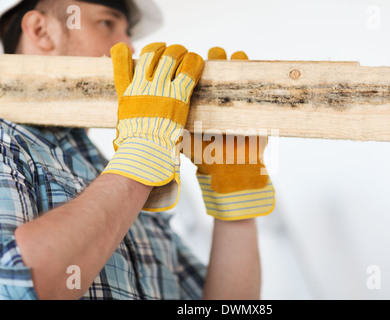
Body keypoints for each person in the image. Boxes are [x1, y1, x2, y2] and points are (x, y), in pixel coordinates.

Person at [0, 0, 275, 300]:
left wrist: (233, 195)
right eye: (106, 23)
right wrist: (143, 151)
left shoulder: (111, 176)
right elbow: (15, 287)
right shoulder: (7, 143)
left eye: (128, 31)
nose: (129, 46)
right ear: (41, 31)